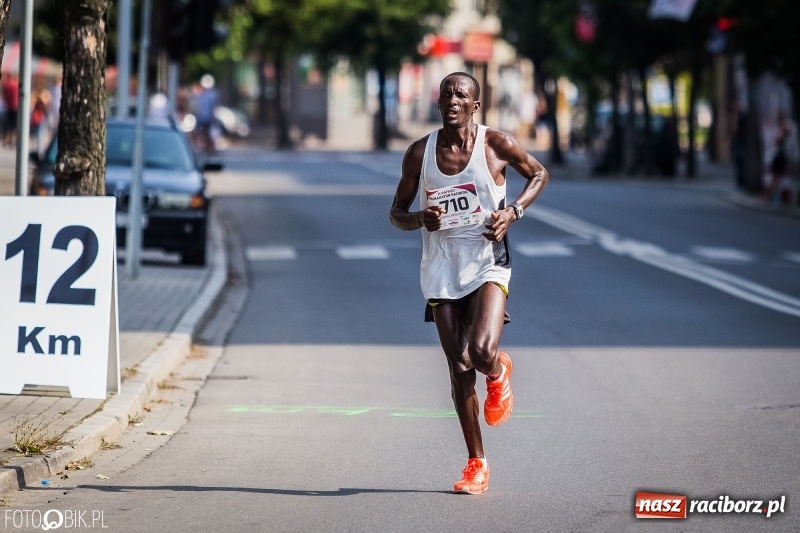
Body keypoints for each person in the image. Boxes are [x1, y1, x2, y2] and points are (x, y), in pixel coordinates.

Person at [389, 72, 549, 494]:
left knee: (480, 353)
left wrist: (512, 212)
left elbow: (538, 174)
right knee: (459, 368)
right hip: (441, 265)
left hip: (486, 261)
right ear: (438, 103)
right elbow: (395, 213)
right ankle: (476, 463)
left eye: (462, 94)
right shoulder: (419, 154)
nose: (453, 100)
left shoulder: (495, 144)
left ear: (475, 105)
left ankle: (498, 371)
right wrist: (418, 218)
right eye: (446, 94)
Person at [194, 74, 219, 155]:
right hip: (203, 117)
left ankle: (210, 148)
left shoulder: (208, 94)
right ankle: (207, 148)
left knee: (206, 133)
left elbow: (213, 107)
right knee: (203, 133)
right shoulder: (203, 94)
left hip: (206, 117)